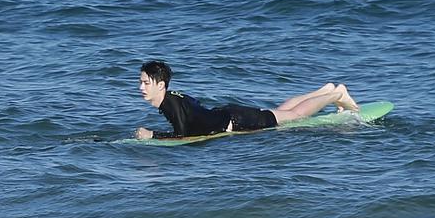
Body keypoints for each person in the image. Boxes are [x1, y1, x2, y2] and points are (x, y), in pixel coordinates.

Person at [135, 60, 360, 140]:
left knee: (294, 116)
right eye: (141, 82)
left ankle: (336, 94)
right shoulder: (174, 97)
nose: (141, 87)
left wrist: (153, 135)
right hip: (230, 114)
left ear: (161, 85)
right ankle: (323, 91)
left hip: (237, 120)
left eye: (146, 83)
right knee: (279, 112)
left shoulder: (170, 104)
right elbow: (195, 106)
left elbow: (183, 135)